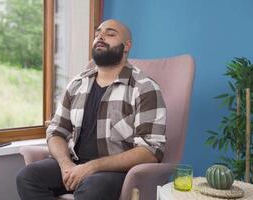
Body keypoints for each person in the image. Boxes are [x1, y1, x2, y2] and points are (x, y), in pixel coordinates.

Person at [16, 19, 167, 200]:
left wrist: (91, 167)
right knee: (27, 178)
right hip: (73, 163)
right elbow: (56, 131)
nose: (100, 37)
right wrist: (66, 165)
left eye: (110, 34)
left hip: (114, 171)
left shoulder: (144, 88)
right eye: (97, 34)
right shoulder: (77, 83)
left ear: (127, 45)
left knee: (92, 189)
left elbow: (150, 150)